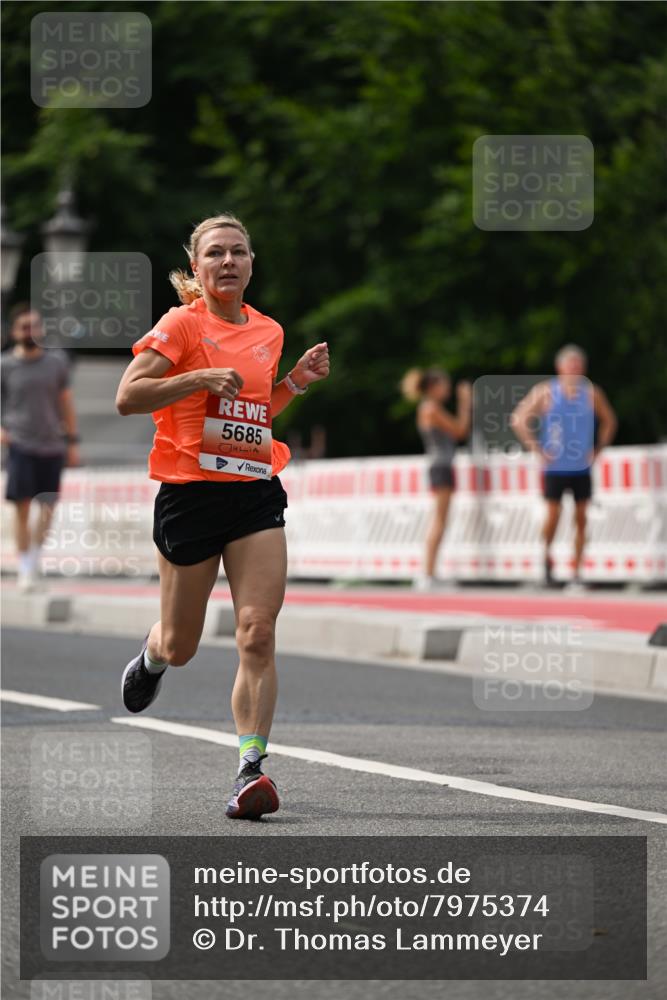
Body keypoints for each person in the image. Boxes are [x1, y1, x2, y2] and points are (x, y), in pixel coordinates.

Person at [115, 213, 329, 820]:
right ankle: (153, 657)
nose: (228, 262)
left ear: (252, 262)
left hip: (254, 491)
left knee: (257, 631)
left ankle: (249, 769)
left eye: (238, 252)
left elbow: (254, 416)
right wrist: (197, 377)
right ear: (199, 265)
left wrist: (293, 383)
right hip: (190, 496)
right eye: (216, 254)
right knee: (182, 643)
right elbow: (128, 397)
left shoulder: (268, 329)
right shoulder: (181, 325)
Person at [510, 344, 617, 588]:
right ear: (560, 367)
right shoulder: (547, 391)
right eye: (571, 365)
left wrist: (598, 448)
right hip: (555, 466)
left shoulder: (591, 393)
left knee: (581, 518)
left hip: (581, 466)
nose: (575, 370)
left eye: (579, 366)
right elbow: (519, 419)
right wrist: (536, 448)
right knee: (553, 515)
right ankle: (545, 560)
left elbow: (609, 420)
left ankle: (576, 572)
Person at [1, 305, 80, 591]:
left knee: (47, 508)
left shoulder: (56, 362)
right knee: (21, 508)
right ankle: (24, 568)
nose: (30, 332)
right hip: (20, 443)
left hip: (52, 445)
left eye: (34, 326)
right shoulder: (5, 365)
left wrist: (72, 441)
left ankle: (34, 560)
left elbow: (66, 402)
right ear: (14, 332)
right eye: (24, 327)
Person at [402, 368, 471, 589]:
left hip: (440, 465)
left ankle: (430, 572)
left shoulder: (429, 408)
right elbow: (460, 430)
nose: (447, 389)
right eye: (444, 385)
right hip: (441, 466)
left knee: (440, 519)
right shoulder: (431, 409)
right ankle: (427, 573)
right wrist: (465, 403)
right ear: (433, 387)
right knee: (440, 520)